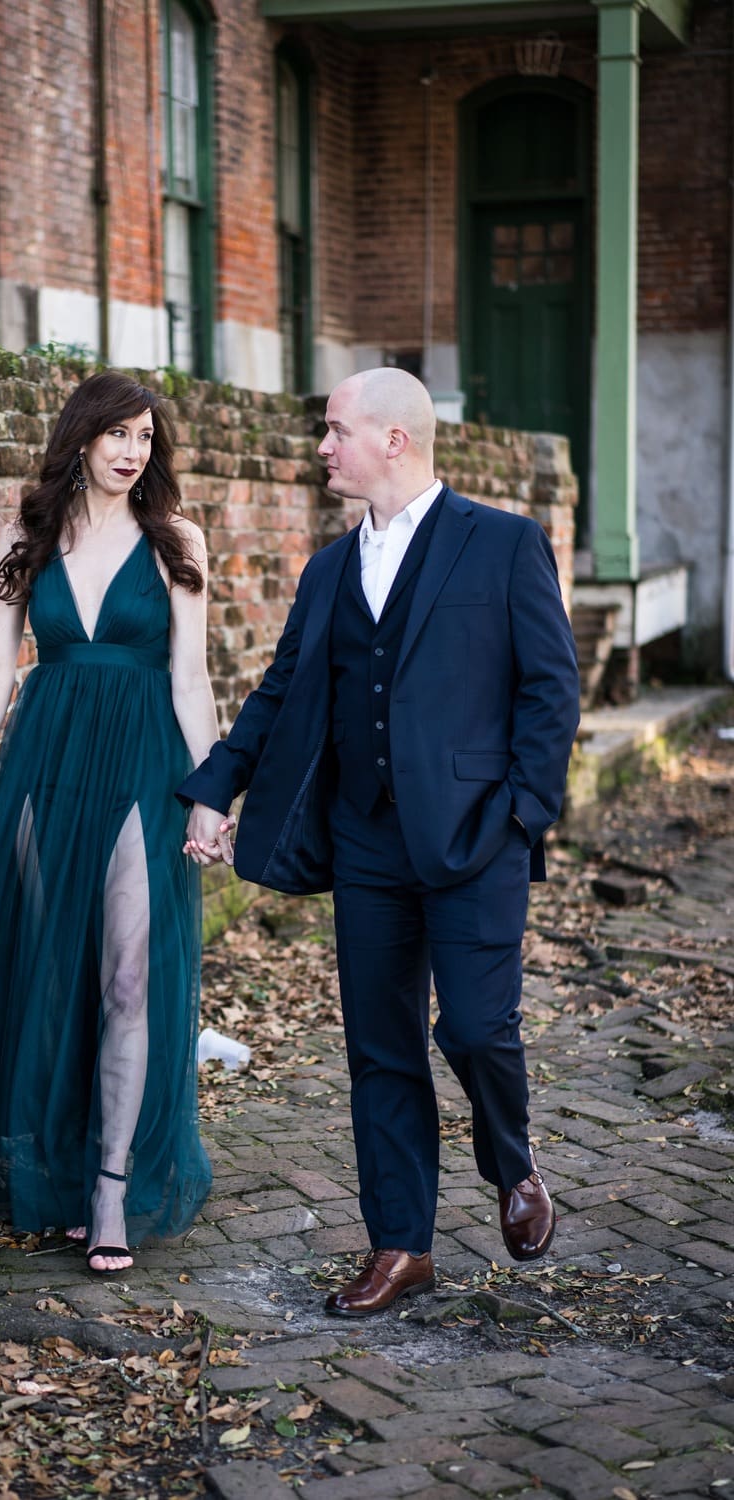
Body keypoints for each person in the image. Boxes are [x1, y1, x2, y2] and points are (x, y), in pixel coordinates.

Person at [181, 367, 580, 1316]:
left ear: (394, 440)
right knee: (381, 1046)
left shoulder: (504, 544)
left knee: (477, 1029)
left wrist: (524, 810)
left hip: (476, 833)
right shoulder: (327, 570)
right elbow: (280, 693)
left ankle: (511, 1161)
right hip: (364, 840)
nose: (322, 446)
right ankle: (401, 1244)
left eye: (335, 430)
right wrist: (214, 788)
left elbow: (550, 690)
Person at [0, 370, 224, 1274]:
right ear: (81, 438)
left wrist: (211, 791)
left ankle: (110, 1190)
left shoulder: (175, 542)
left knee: (126, 978)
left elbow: (191, 680)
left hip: (144, 767)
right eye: (118, 434)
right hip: (47, 762)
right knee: (56, 970)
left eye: (146, 439)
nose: (131, 452)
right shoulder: (27, 539)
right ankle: (61, 1165)